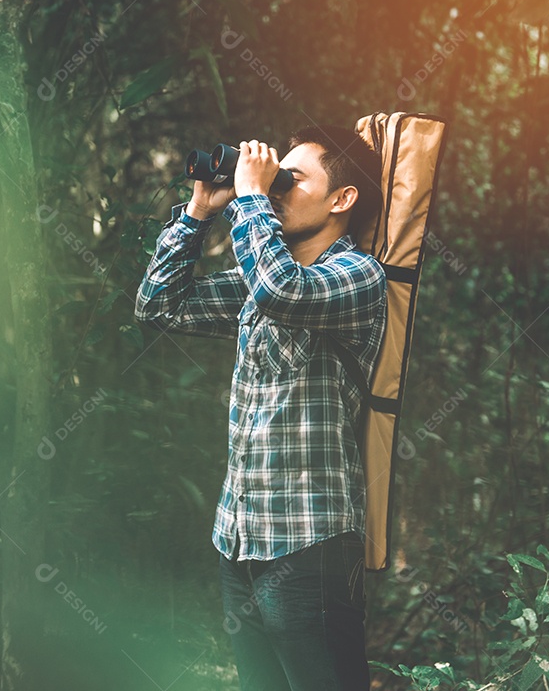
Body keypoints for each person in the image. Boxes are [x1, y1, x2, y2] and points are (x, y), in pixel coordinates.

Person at [133, 125, 387, 690]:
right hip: (240, 539)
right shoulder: (260, 276)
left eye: (290, 180)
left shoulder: (356, 277)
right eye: (274, 178)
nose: (273, 188)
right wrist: (199, 211)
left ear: (342, 200)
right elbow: (158, 308)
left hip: (311, 547)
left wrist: (249, 196)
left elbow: (281, 292)